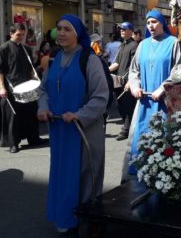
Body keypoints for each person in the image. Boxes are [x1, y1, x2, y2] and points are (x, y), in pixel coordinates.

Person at [37, 14, 108, 235]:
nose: (62, 33)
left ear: (77, 34)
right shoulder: (54, 58)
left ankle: (84, 222)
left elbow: (101, 97)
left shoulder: (90, 59)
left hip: (83, 130)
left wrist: (79, 115)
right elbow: (43, 89)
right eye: (59, 29)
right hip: (60, 130)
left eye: (67, 29)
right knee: (62, 173)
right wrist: (43, 107)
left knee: (85, 177)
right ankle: (65, 216)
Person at [123, 10, 181, 179]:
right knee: (142, 136)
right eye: (148, 23)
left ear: (162, 23)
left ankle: (162, 176)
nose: (151, 25)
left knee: (163, 139)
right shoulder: (143, 44)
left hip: (164, 102)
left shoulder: (173, 43)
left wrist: (162, 88)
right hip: (144, 102)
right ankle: (141, 172)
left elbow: (178, 71)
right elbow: (134, 71)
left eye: (154, 22)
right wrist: (135, 86)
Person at [0, 23, 47, 153]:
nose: (21, 37)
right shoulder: (3, 49)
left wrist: (35, 79)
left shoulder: (26, 49)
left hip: (27, 86)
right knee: (13, 116)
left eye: (23, 35)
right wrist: (1, 88)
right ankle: (13, 143)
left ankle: (33, 138)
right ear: (11, 34)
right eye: (18, 35)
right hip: (11, 88)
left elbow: (30, 68)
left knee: (30, 113)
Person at [108, 22, 139, 141]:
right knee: (119, 105)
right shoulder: (122, 45)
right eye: (120, 29)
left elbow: (134, 66)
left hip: (128, 81)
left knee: (127, 106)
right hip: (118, 81)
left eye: (124, 29)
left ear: (131, 31)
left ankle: (126, 130)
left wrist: (131, 81)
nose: (121, 31)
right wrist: (104, 70)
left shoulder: (134, 46)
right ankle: (129, 127)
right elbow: (116, 63)